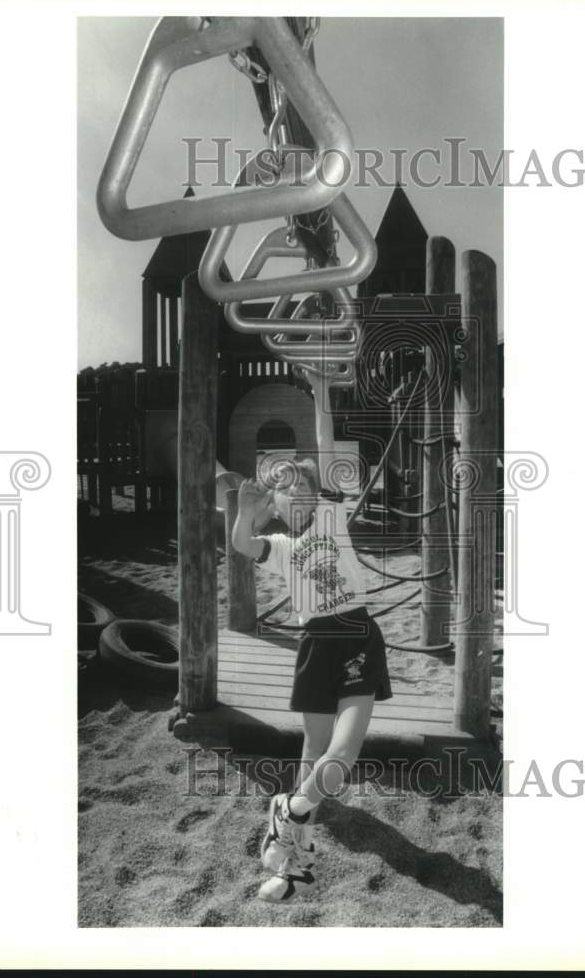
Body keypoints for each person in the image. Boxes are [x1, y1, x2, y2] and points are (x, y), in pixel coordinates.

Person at [232, 363, 393, 903]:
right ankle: (291, 857)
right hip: (314, 646)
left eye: (299, 480)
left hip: (356, 635)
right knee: (314, 749)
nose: (292, 488)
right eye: (281, 487)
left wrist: (320, 390)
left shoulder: (330, 517)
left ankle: (290, 809)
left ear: (314, 490)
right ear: (274, 507)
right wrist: (243, 509)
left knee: (342, 754)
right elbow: (241, 544)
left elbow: (323, 448)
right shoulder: (278, 545)